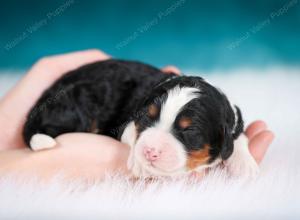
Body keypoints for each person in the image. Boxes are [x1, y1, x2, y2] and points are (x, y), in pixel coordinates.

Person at [0, 49, 274, 181]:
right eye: (149, 120)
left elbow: (235, 133)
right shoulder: (141, 99)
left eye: (187, 132)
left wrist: (240, 151)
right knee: (85, 105)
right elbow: (132, 123)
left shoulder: (229, 120)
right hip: (86, 94)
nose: (153, 149)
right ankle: (41, 130)